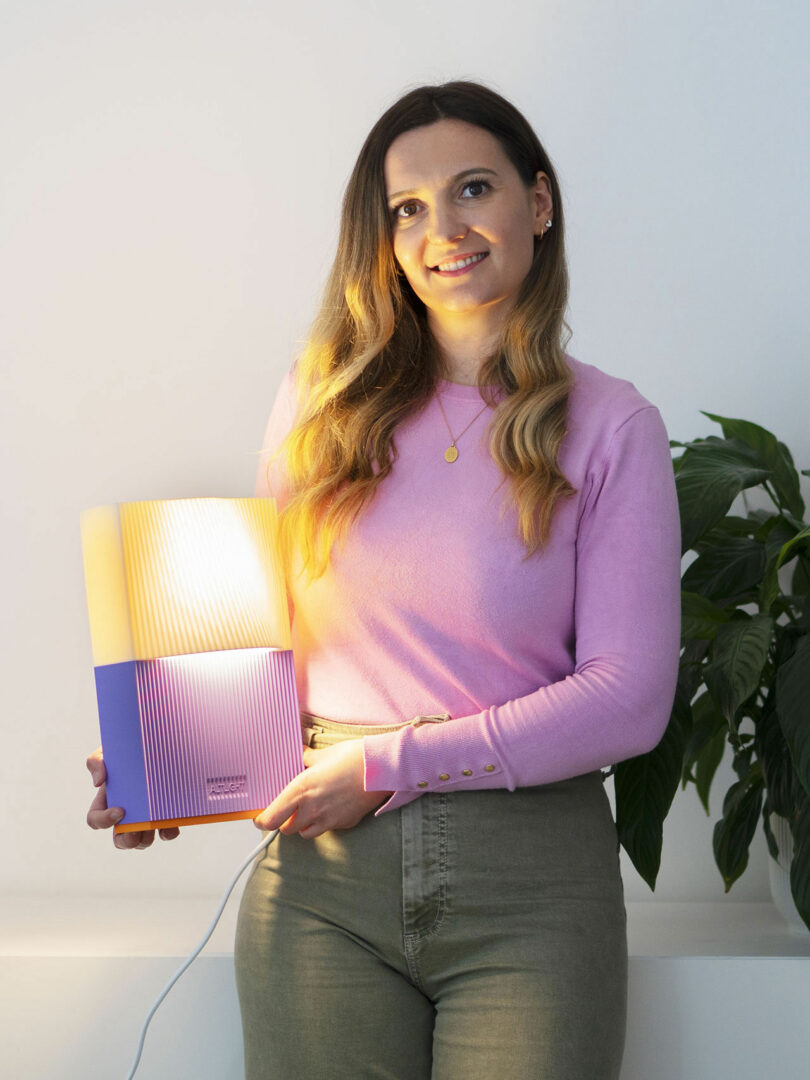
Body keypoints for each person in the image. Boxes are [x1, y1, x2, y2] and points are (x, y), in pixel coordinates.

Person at [87, 80, 682, 1079]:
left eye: (473, 189)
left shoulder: (613, 426)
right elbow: (268, 638)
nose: (440, 229)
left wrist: (386, 768)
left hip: (530, 887)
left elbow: (628, 701)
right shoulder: (318, 405)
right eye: (406, 208)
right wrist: (170, 769)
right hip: (322, 888)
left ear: (539, 205)